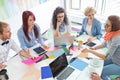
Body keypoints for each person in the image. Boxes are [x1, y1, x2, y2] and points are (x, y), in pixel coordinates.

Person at [82, 15, 120, 80]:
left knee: (99, 72)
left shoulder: (117, 38)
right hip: (113, 58)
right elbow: (104, 44)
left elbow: (106, 57)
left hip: (118, 64)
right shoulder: (110, 33)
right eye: (105, 24)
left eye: (107, 25)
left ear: (114, 27)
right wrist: (94, 48)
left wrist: (90, 51)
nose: (105, 27)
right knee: (96, 65)